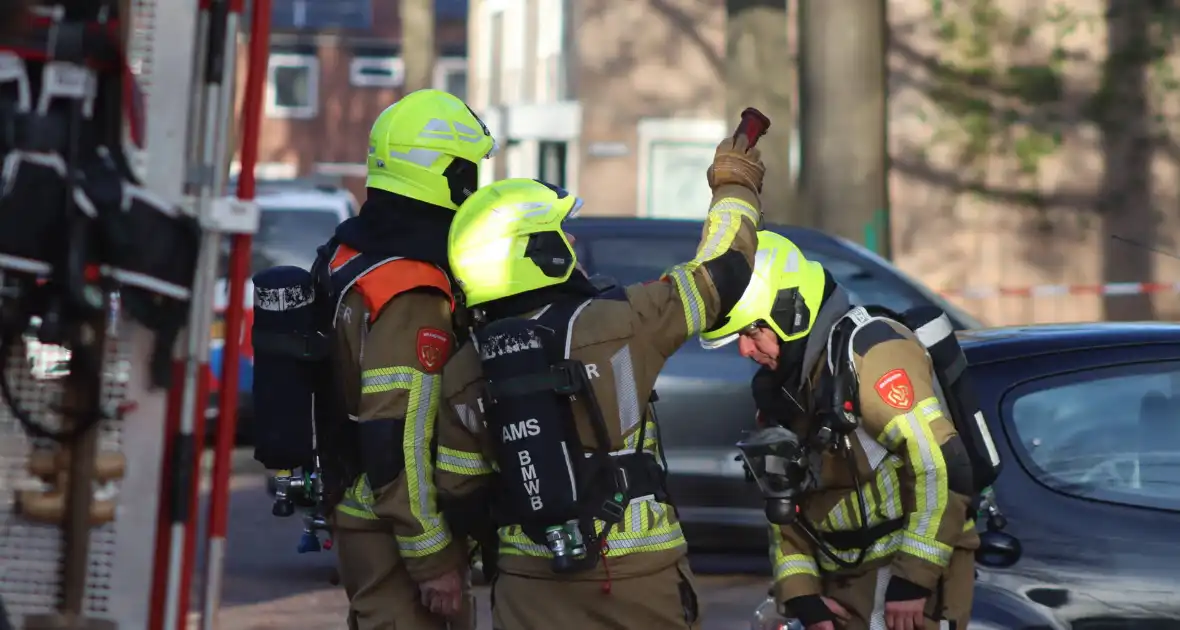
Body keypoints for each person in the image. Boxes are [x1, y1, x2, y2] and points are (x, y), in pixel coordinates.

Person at [432, 130, 766, 629]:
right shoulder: (624, 321)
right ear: (536, 251)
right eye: (560, 232)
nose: (570, 241)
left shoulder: (462, 368)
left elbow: (460, 493)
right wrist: (733, 184)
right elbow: (726, 271)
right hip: (636, 580)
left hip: (528, 587)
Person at [700, 232, 979, 630]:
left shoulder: (873, 354)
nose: (745, 350)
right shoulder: (783, 389)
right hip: (842, 587)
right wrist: (801, 597)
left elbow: (940, 464)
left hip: (907, 583)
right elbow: (785, 506)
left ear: (790, 310)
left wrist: (912, 581)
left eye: (751, 331)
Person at [325, 88, 497, 630]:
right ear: (447, 174)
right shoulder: (414, 285)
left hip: (364, 512)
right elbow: (394, 431)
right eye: (469, 171)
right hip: (394, 527)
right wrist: (431, 559)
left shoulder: (352, 251)